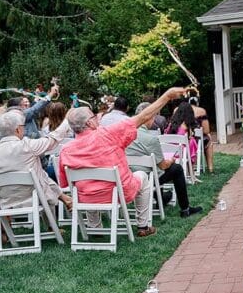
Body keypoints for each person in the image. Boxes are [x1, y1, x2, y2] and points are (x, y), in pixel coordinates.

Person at [57, 87, 187, 238]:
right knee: (143, 177)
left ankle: (95, 228)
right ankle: (143, 226)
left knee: (87, 185)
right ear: (89, 123)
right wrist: (167, 96)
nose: (98, 118)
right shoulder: (109, 134)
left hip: (86, 197)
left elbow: (65, 183)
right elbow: (143, 116)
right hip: (118, 193)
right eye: (94, 116)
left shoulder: (66, 150)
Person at [0, 110, 73, 214]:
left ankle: (66, 199)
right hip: (34, 197)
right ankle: (65, 201)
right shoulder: (27, 146)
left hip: (5, 202)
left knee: (39, 172)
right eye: (23, 126)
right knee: (39, 173)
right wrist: (66, 120)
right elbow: (53, 139)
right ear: (17, 129)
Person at [126, 103, 202, 218]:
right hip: (147, 178)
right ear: (148, 117)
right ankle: (185, 209)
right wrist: (171, 160)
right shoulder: (151, 139)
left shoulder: (125, 134)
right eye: (153, 117)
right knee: (176, 169)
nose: (154, 120)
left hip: (128, 176)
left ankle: (163, 199)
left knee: (155, 169)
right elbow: (163, 165)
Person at [164, 101, 199, 170]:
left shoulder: (171, 124)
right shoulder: (186, 126)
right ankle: (191, 169)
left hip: (168, 151)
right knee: (192, 141)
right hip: (181, 152)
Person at [187, 89, 214, 174]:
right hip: (196, 140)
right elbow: (206, 130)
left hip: (181, 140)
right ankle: (210, 168)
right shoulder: (201, 111)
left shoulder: (178, 110)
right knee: (209, 141)